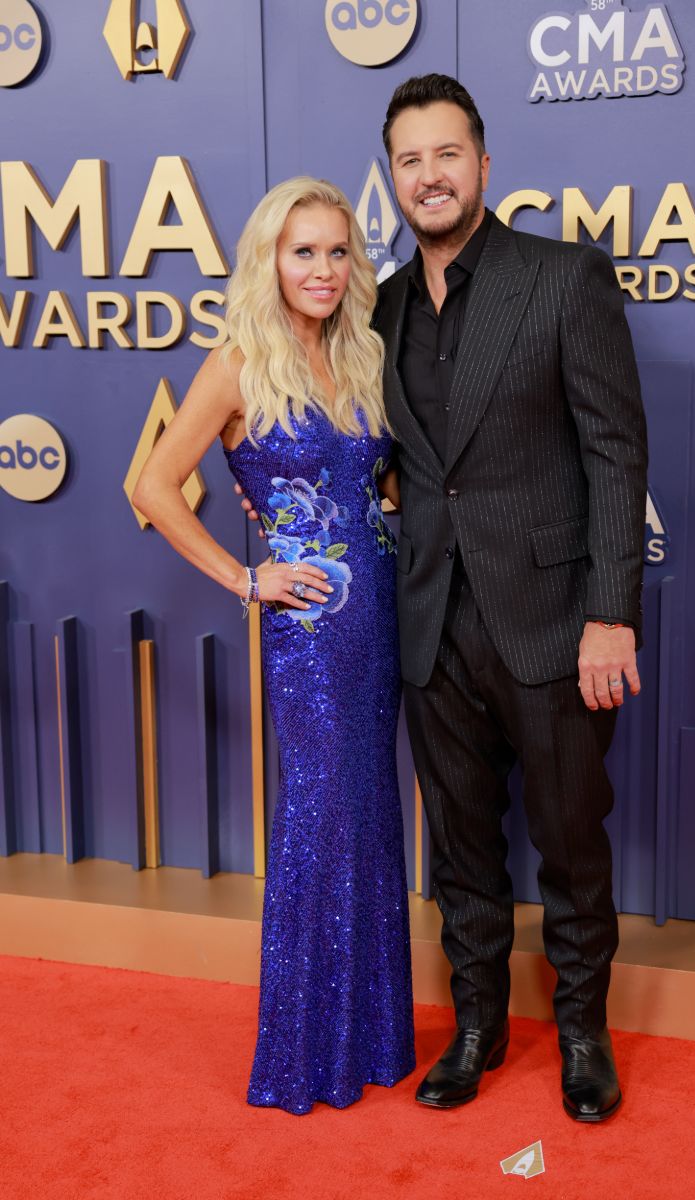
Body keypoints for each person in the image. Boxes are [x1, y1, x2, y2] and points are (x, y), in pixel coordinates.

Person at [239, 77, 648, 1121]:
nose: (430, 175)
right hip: (422, 622)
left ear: (481, 163)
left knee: (568, 841)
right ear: (392, 179)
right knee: (462, 849)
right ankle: (473, 1030)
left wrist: (609, 613)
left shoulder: (561, 277)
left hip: (552, 623)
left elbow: (613, 453)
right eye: (410, 160)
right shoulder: (369, 312)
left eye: (447, 154)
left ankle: (581, 1036)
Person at [133, 177, 415, 1115]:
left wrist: (381, 508)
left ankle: (373, 1040)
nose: (324, 270)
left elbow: (382, 482)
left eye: (339, 251)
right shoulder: (239, 362)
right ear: (269, 259)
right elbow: (153, 485)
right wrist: (247, 577)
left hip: (381, 612)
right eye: (304, 252)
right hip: (310, 630)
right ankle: (306, 1055)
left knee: (372, 817)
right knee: (316, 821)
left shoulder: (364, 353)